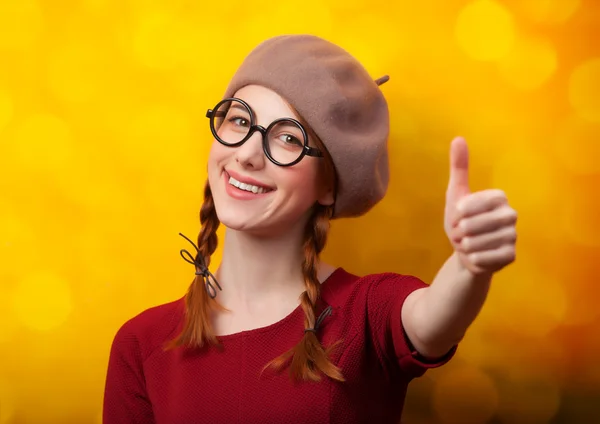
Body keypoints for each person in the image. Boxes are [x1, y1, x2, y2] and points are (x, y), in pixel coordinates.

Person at [103, 34, 517, 424]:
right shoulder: (141, 344)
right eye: (239, 120)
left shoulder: (366, 313)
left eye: (287, 138)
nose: (247, 154)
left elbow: (432, 319)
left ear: (327, 185)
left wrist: (470, 266)